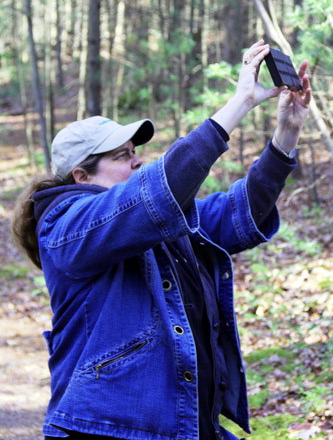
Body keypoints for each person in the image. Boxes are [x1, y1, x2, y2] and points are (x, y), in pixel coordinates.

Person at [12, 40, 311, 440]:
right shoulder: (67, 226)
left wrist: (285, 138)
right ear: (82, 177)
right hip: (108, 430)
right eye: (121, 156)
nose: (137, 160)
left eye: (135, 151)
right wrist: (238, 104)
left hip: (184, 424)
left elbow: (240, 213)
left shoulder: (158, 222)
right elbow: (158, 190)